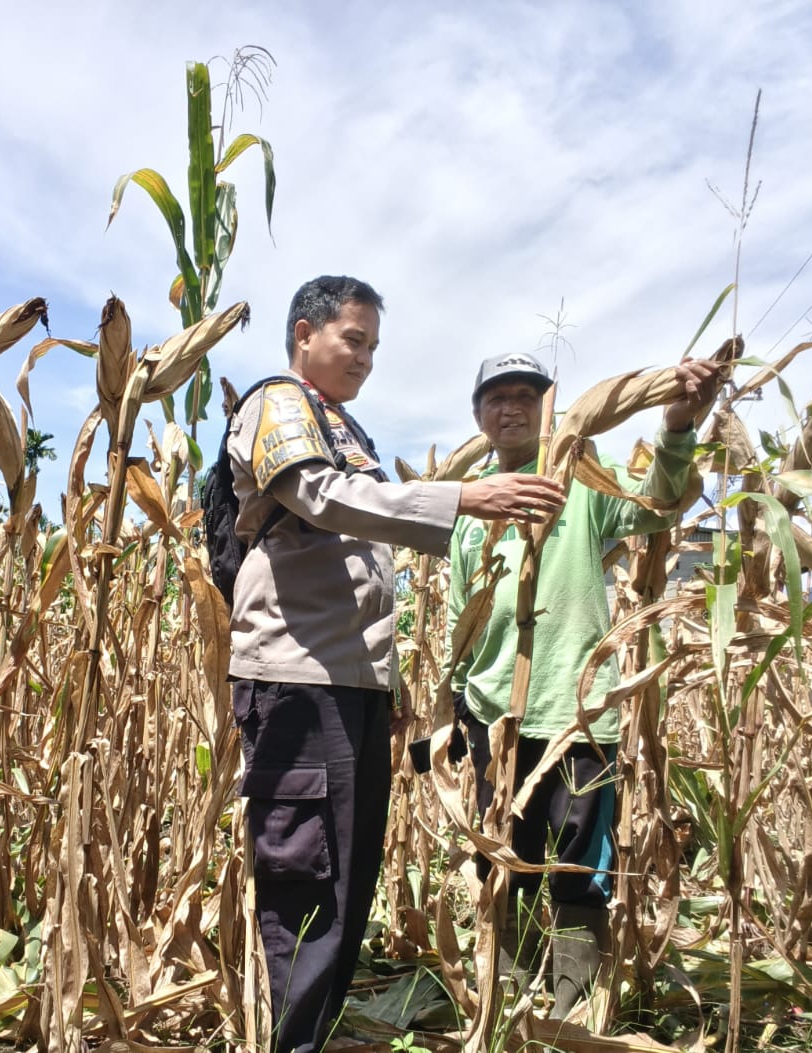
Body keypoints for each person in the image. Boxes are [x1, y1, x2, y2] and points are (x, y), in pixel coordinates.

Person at [226, 276, 564, 1053]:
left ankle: (312, 1030)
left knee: (346, 871)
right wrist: (463, 498)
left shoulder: (347, 427)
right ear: (305, 332)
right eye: (355, 339)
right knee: (305, 874)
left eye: (375, 345)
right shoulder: (280, 402)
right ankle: (292, 1042)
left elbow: (386, 529)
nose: (367, 359)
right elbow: (314, 493)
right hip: (298, 679)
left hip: (350, 685)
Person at [444, 347, 723, 1019]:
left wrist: (678, 422)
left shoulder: (583, 484)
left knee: (575, 865)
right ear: (480, 414)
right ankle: (501, 993)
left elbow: (658, 503)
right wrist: (456, 700)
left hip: (577, 715)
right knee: (499, 857)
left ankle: (572, 1006)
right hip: (493, 717)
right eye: (496, 396)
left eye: (525, 394)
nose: (510, 406)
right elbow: (459, 615)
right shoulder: (469, 507)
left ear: (549, 410)